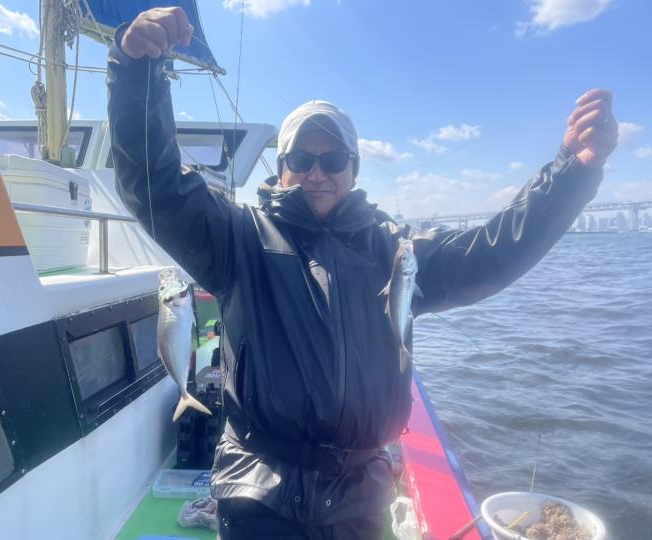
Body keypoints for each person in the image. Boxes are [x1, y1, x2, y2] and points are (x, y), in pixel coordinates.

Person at [107, 7, 618, 540]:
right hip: (258, 489)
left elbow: (492, 252)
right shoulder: (237, 239)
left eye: (333, 160)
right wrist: (135, 70)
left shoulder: (395, 252)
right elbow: (155, 185)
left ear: (353, 169)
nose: (317, 172)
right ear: (282, 167)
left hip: (358, 494)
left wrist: (572, 171)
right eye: (301, 158)